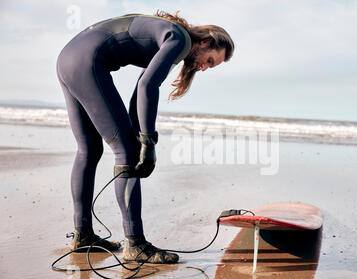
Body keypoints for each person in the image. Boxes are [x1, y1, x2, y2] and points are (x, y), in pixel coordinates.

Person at [56, 11, 234, 263]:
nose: (204, 67)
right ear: (206, 41)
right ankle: (135, 244)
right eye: (210, 61)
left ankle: (82, 234)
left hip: (67, 59)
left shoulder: (168, 35)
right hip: (87, 62)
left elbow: (139, 91)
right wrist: (148, 142)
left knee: (89, 149)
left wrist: (139, 135)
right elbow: (148, 86)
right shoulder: (180, 40)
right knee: (125, 153)